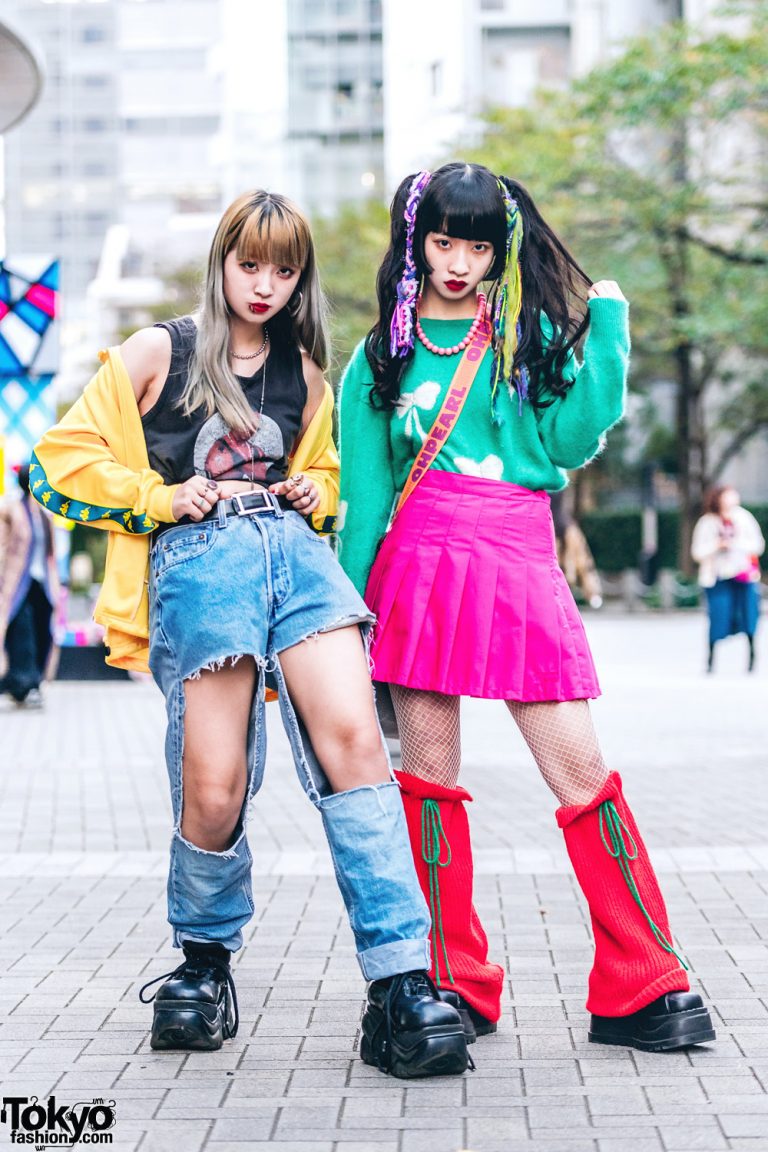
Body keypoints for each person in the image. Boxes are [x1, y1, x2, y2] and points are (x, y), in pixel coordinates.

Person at [30, 189, 471, 1079]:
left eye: (284, 268)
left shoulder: (305, 373)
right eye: (250, 264)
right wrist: (159, 498)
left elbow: (326, 469)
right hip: (202, 561)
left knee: (356, 743)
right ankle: (203, 963)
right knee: (216, 781)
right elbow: (60, 459)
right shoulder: (161, 351)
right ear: (221, 261)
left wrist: (319, 491)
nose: (265, 284)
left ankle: (401, 982)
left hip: (296, 558)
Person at [338, 162, 716, 1051]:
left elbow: (573, 437)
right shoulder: (379, 355)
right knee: (428, 780)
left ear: (501, 247)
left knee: (581, 775)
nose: (458, 262)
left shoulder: (526, 333)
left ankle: (644, 980)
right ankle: (447, 980)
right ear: (414, 240)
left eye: (476, 244)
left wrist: (612, 328)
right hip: (419, 571)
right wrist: (346, 623)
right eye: (442, 242)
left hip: (515, 562)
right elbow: (363, 497)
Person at [0, 462, 59, 707]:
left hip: (41, 582)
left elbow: (50, 553)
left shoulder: (44, 515)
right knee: (22, 630)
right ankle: (23, 683)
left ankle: (30, 681)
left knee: (41, 627)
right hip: (17, 582)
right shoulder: (11, 510)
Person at [691, 485, 764, 673]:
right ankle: (710, 659)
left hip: (743, 575)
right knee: (717, 617)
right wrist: (717, 545)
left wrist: (734, 544)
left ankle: (751, 656)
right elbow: (697, 552)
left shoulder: (744, 517)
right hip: (717, 577)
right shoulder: (707, 522)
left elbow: (758, 544)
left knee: (748, 616)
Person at [550, 489, 603, 609]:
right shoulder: (558, 480)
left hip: (553, 526)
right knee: (581, 562)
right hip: (561, 525)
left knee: (578, 562)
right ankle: (592, 594)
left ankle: (591, 594)